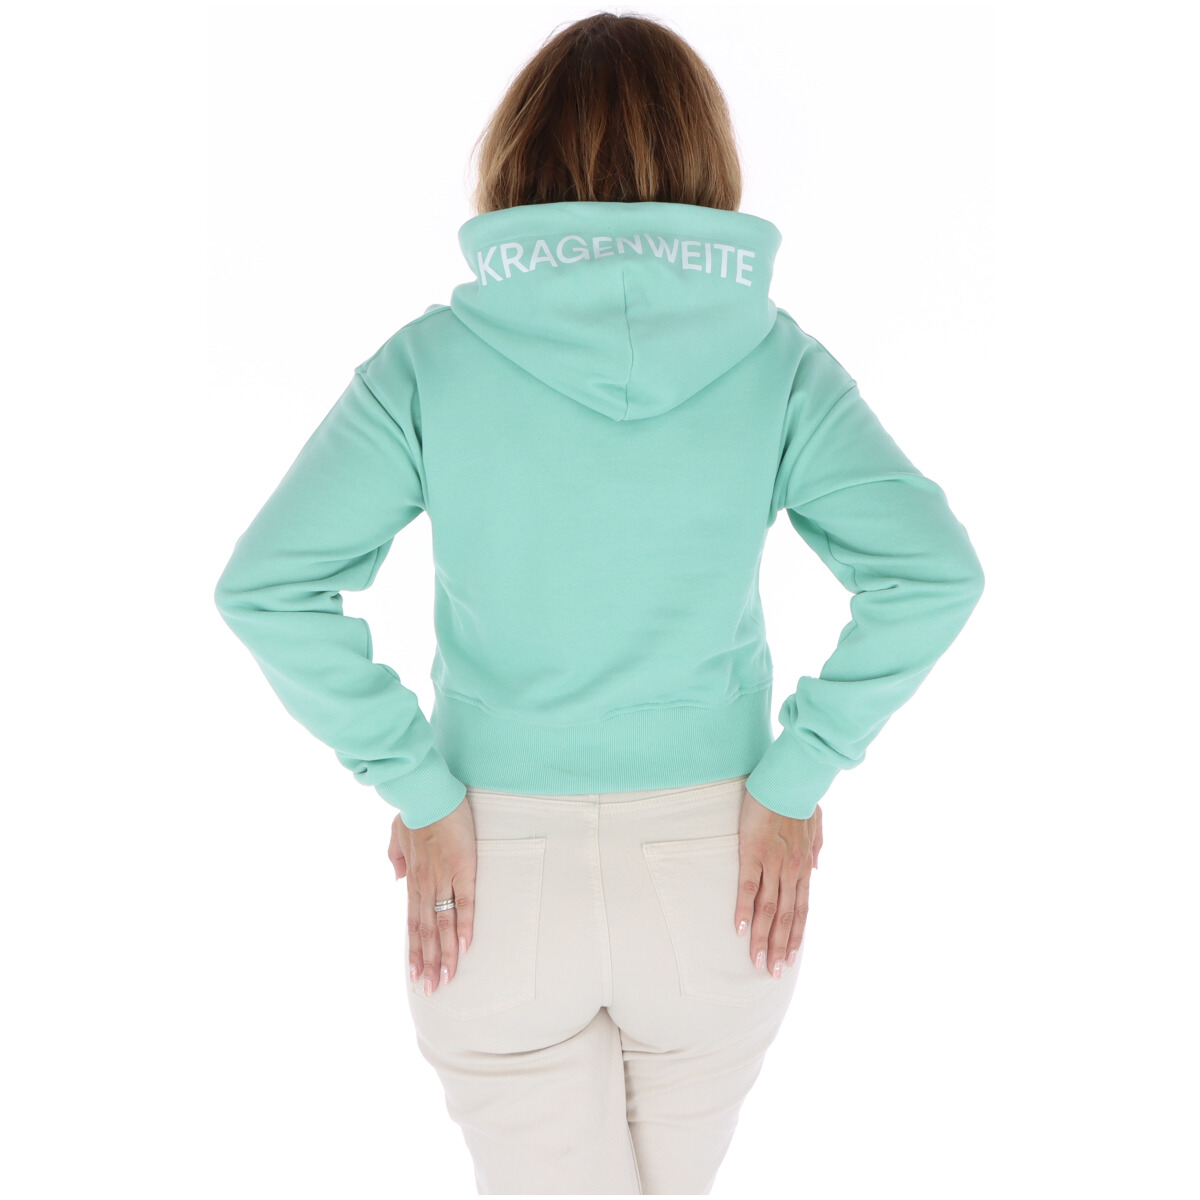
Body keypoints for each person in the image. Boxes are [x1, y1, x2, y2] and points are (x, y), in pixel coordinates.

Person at [213, 11, 985, 1195]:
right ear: (704, 156)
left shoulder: (433, 361)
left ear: (516, 157)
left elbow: (268, 586)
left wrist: (419, 788)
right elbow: (933, 572)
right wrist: (799, 774)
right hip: (721, 869)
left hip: (489, 868)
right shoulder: (775, 359)